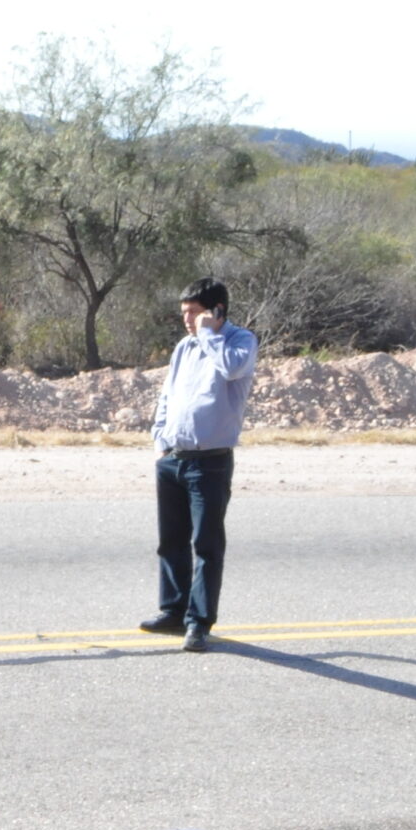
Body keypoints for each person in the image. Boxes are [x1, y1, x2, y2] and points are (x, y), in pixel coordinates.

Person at [140, 278, 259, 654]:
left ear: (217, 311)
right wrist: (160, 439)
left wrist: (208, 334)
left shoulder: (240, 342)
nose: (187, 320)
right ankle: (173, 611)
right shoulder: (184, 347)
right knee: (171, 542)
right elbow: (168, 394)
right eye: (184, 313)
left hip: (210, 463)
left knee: (206, 545)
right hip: (173, 459)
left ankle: (199, 622)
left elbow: (232, 369)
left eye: (194, 312)